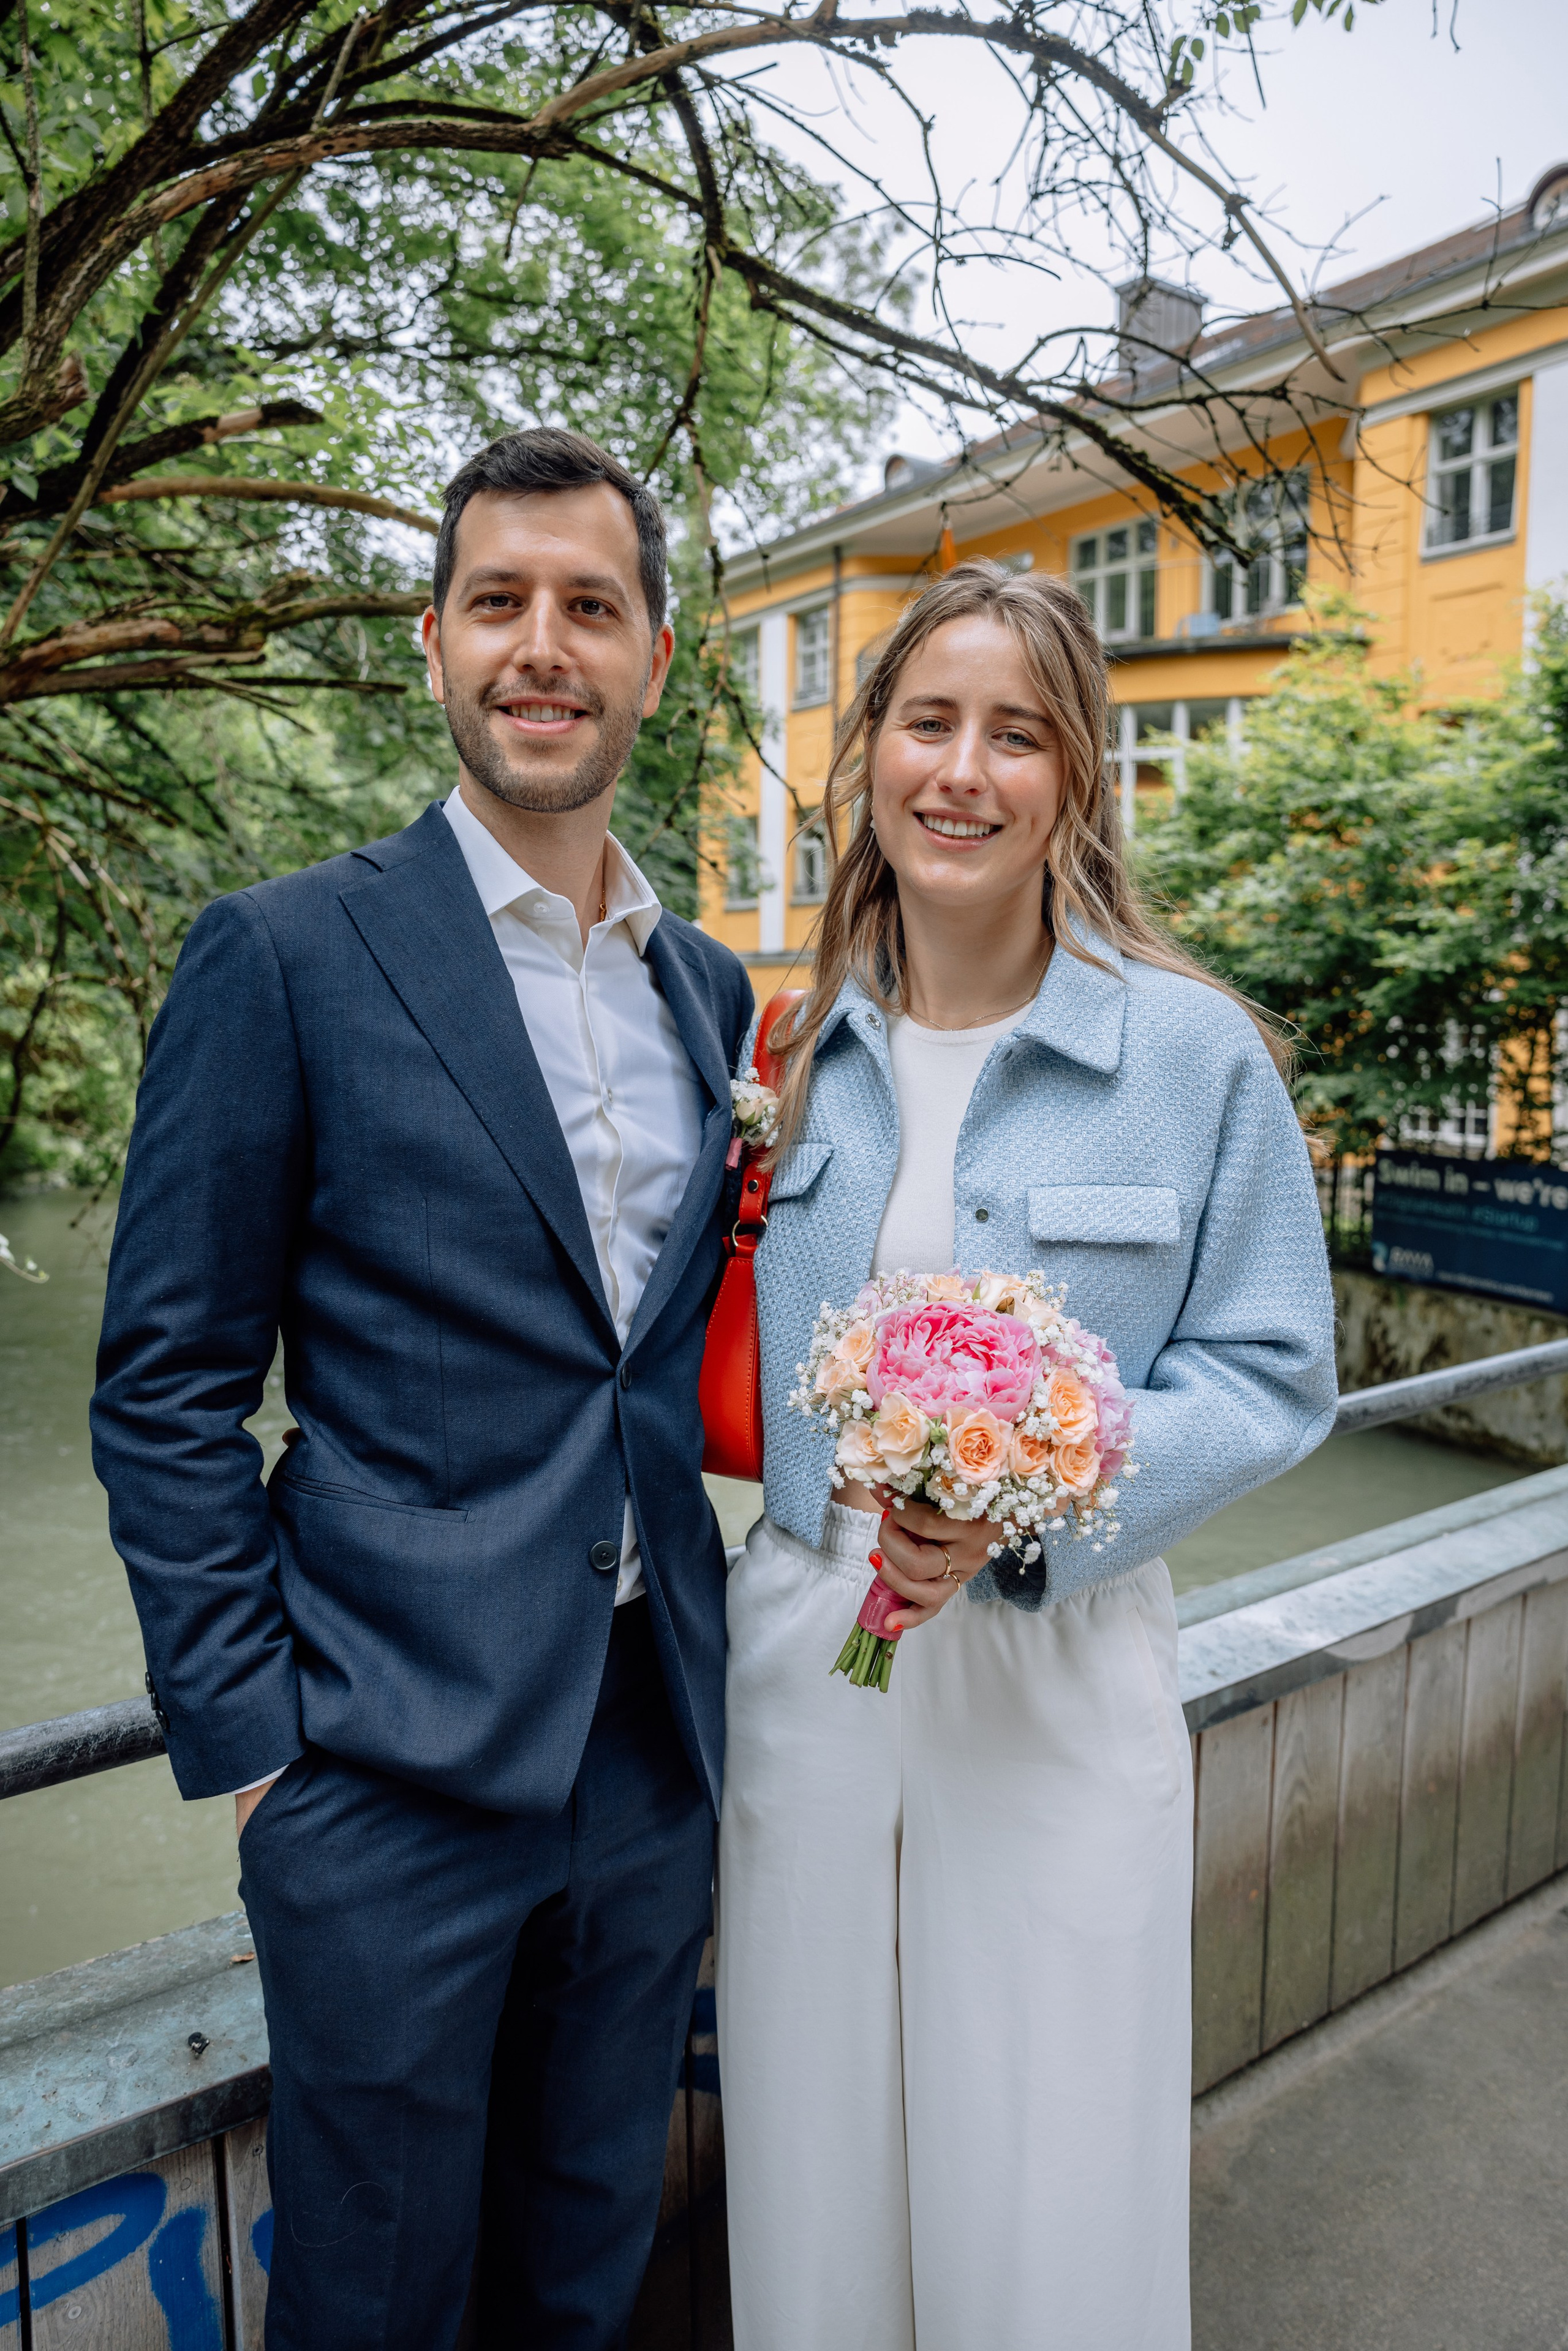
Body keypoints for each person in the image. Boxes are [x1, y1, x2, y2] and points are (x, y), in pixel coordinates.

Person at [91, 427, 752, 2349]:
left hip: (652, 1752)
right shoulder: (285, 953)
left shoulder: (707, 993)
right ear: (436, 641)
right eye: (498, 602)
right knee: (374, 2307)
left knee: (583, 2279)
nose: (543, 644)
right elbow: (167, 1382)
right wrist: (261, 1756)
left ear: (652, 658)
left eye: (591, 607)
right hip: (377, 1773)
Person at [715, 560, 1337, 2350]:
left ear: (1077, 778)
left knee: (1051, 2168)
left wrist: (1037, 1512)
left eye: (1018, 735)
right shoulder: (789, 1047)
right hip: (809, 1661)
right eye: (929, 723)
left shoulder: (1193, 1054)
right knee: (815, 2160)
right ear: (871, 757)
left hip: (1056, 1665)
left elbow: (1275, 1370)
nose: (964, 772)